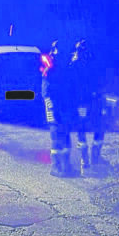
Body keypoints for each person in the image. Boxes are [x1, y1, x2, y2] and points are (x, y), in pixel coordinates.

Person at [69, 38, 109, 176]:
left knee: (99, 128)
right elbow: (73, 86)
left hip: (94, 101)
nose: (86, 53)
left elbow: (100, 83)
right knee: (82, 130)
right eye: (84, 51)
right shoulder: (75, 66)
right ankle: (85, 159)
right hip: (82, 102)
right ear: (79, 51)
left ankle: (95, 157)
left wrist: (102, 100)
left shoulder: (94, 65)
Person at [41, 40, 78, 177]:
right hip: (54, 106)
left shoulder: (67, 68)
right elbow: (46, 92)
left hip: (65, 105)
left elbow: (71, 88)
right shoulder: (50, 69)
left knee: (66, 135)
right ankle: (56, 167)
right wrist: (51, 108)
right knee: (56, 136)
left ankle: (66, 166)